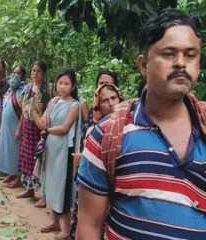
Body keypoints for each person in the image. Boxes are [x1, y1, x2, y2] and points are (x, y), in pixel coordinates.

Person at [76, 9, 206, 239]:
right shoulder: (108, 135)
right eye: (168, 54)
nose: (180, 63)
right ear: (144, 65)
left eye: (190, 55)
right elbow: (89, 224)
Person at [31, 69, 80, 240]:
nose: (63, 86)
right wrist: (33, 112)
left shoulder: (75, 105)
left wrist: (47, 130)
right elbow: (42, 123)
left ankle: (66, 229)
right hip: (51, 150)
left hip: (64, 151)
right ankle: (54, 222)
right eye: (60, 83)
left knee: (63, 188)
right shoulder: (53, 102)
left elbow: (64, 128)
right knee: (50, 184)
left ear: (73, 86)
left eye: (67, 84)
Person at [17, 61, 52, 199]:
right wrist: (19, 129)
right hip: (27, 127)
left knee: (37, 159)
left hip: (38, 129)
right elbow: (24, 110)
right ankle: (29, 189)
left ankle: (41, 194)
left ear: (43, 74)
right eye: (33, 71)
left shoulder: (47, 91)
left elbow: (48, 111)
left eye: (38, 71)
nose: (35, 73)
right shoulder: (28, 89)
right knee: (26, 158)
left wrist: (39, 109)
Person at [0, 66, 27, 188]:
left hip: (16, 127)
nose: (15, 76)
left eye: (18, 73)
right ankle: (11, 174)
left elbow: (24, 112)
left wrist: (20, 128)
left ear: (23, 76)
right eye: (14, 72)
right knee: (7, 151)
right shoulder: (10, 90)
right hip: (6, 127)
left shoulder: (23, 91)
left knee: (16, 151)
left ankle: (18, 177)